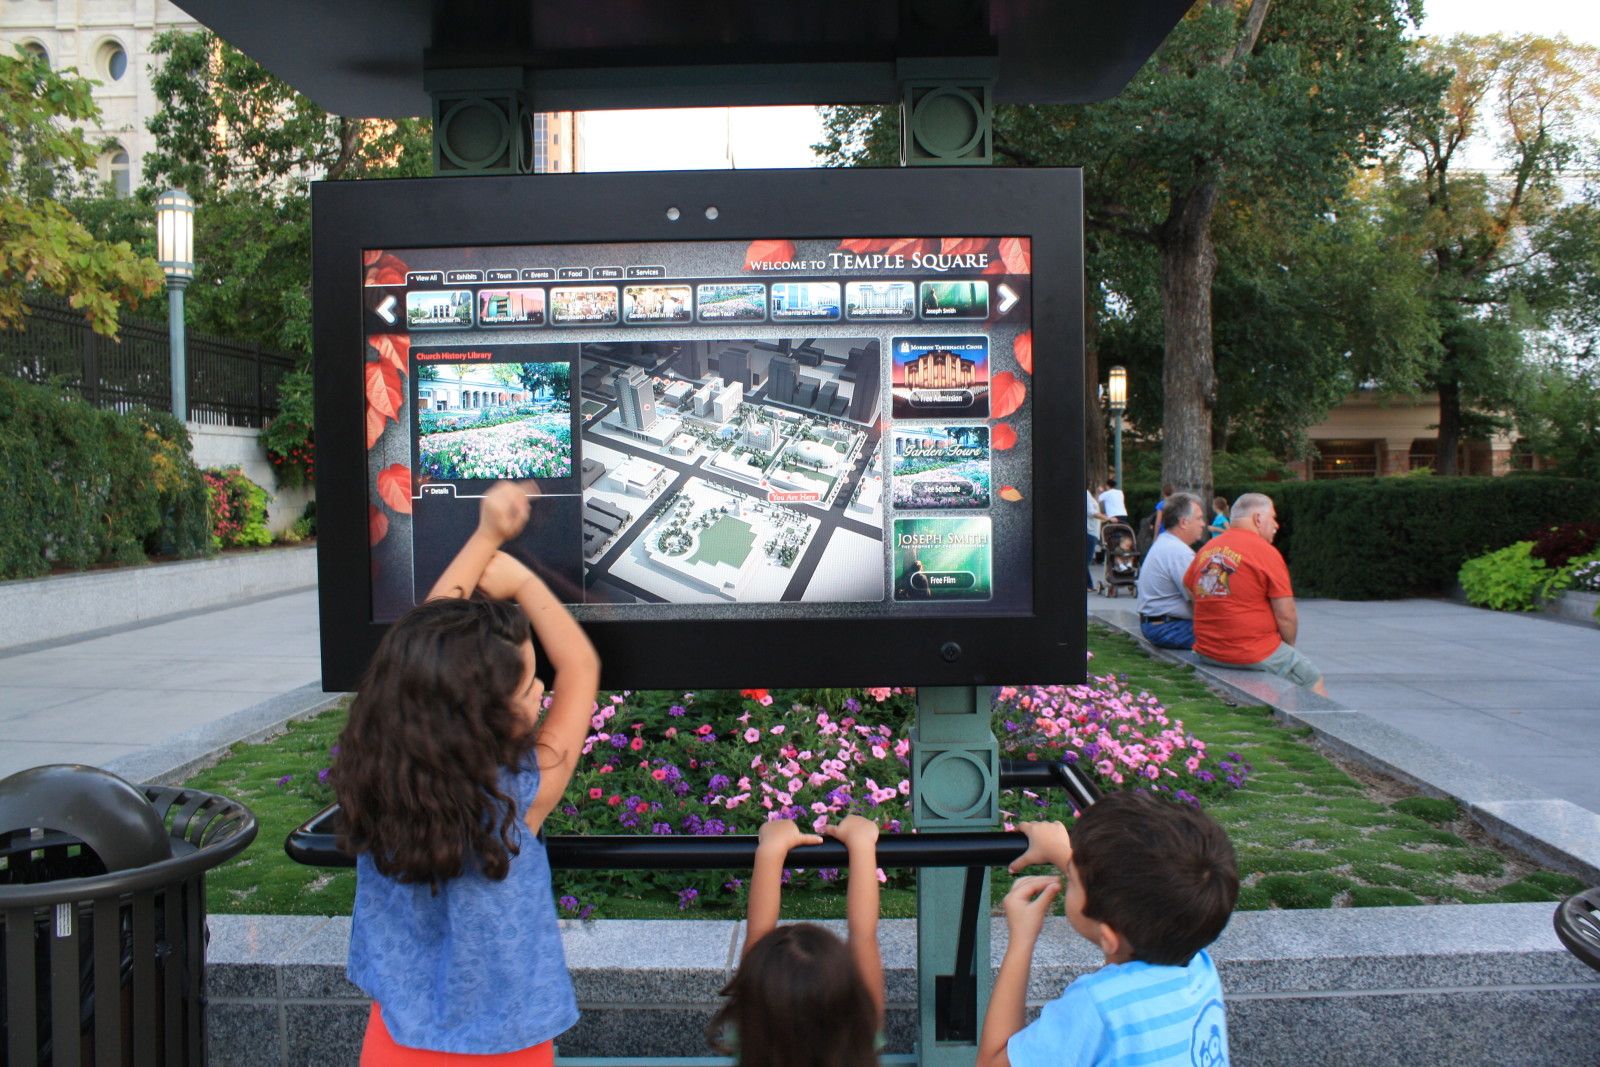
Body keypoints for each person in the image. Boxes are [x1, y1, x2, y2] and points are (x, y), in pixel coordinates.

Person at [338, 482, 602, 1064]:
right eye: (531, 687)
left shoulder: (381, 780)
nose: (540, 692)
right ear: (484, 712)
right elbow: (581, 665)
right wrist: (521, 579)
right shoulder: (517, 797)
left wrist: (484, 540)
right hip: (508, 1049)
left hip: (394, 1043)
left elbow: (424, 656)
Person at [978, 790, 1239, 1067]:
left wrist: (1022, 939)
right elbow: (1141, 892)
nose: (1070, 870)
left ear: (1109, 937)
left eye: (1074, 880)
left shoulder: (1100, 1007)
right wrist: (1061, 853)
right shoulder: (1199, 968)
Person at [708, 814, 885, 1066]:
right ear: (852, 999)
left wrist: (771, 850)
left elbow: (758, 935)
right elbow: (863, 936)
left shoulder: (753, 1038)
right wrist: (862, 845)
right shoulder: (859, 1033)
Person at [1183, 492, 1328, 696]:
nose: (1276, 525)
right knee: (1311, 678)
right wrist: (1289, 649)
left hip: (1208, 650)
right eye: (1273, 518)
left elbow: (1190, 587)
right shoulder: (1265, 552)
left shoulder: (1207, 549)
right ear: (1258, 519)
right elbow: (1286, 616)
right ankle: (1313, 726)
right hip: (1251, 651)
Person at [1135, 492, 1204, 649]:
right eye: (1199, 518)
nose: (1203, 524)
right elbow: (1199, 598)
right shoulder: (1178, 552)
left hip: (1160, 625)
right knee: (1235, 638)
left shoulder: (1166, 542)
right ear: (1184, 522)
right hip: (1169, 628)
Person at [1085, 488, 1110, 592]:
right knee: (1086, 559)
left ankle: (1088, 584)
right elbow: (1091, 512)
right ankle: (1088, 584)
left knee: (1086, 559)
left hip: (1093, 531)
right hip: (1090, 531)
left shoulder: (1089, 495)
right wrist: (1107, 518)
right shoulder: (1085, 493)